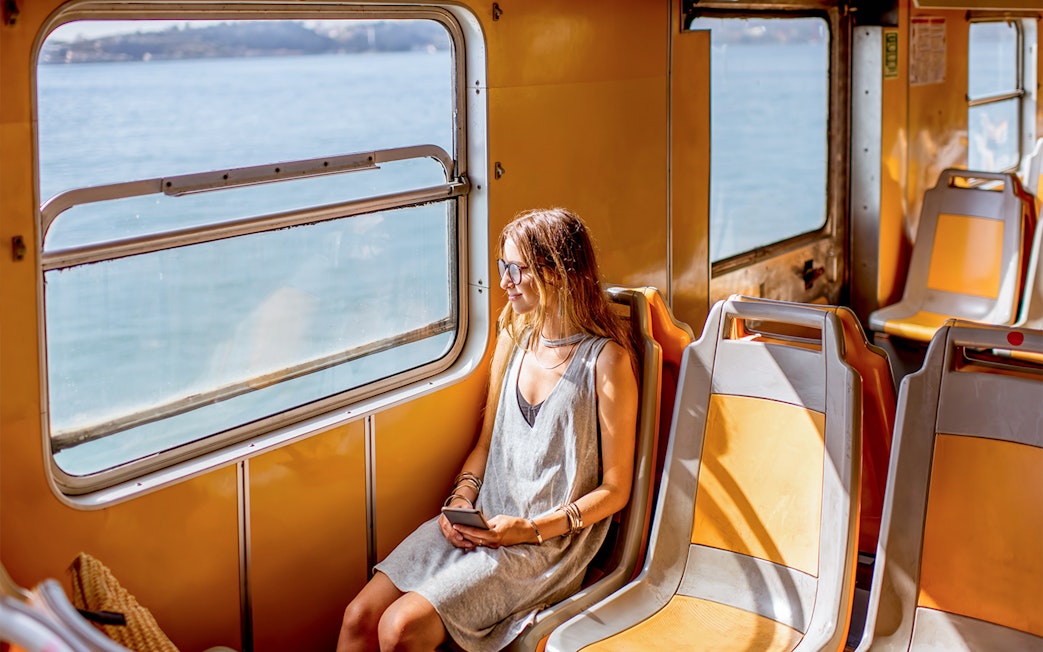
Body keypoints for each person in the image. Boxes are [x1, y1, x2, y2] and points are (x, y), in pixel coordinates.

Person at [336, 207, 639, 652]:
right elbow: (484, 447)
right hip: (480, 518)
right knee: (358, 618)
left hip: (544, 547)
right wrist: (460, 500)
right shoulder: (513, 336)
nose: (503, 281)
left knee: (400, 628)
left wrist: (529, 529)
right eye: (503, 267)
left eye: (515, 269)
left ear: (556, 273)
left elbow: (616, 489)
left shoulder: (607, 362)